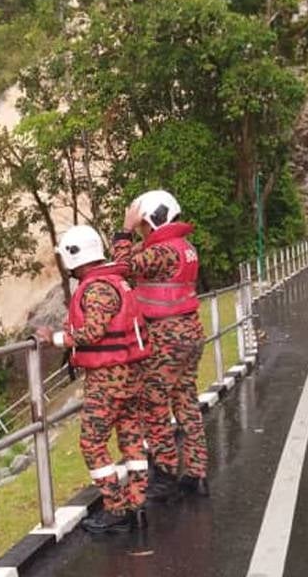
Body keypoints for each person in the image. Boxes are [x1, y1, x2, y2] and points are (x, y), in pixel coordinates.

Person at [35, 225, 152, 533]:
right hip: (131, 374)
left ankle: (116, 508)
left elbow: (93, 332)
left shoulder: (98, 287)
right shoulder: (116, 281)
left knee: (91, 443)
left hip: (108, 378)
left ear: (76, 256)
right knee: (131, 439)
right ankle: (138, 504)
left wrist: (55, 338)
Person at [114, 190, 210, 500]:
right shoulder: (185, 247)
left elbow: (124, 267)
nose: (141, 230)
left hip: (167, 337)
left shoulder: (163, 251)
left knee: (153, 403)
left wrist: (124, 231)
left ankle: (166, 472)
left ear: (154, 219)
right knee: (185, 401)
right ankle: (196, 473)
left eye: (143, 224)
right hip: (190, 332)